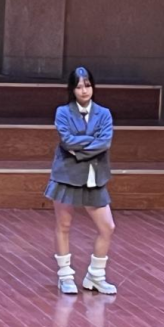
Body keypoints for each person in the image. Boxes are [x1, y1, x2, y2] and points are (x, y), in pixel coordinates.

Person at [46, 66, 117, 295]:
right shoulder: (63, 112)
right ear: (72, 89)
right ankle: (65, 276)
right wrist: (89, 142)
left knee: (107, 227)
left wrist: (80, 150)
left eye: (87, 85)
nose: (84, 91)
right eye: (78, 87)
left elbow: (105, 143)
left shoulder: (104, 113)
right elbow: (67, 141)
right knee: (64, 225)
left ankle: (96, 276)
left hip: (94, 177)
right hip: (67, 175)